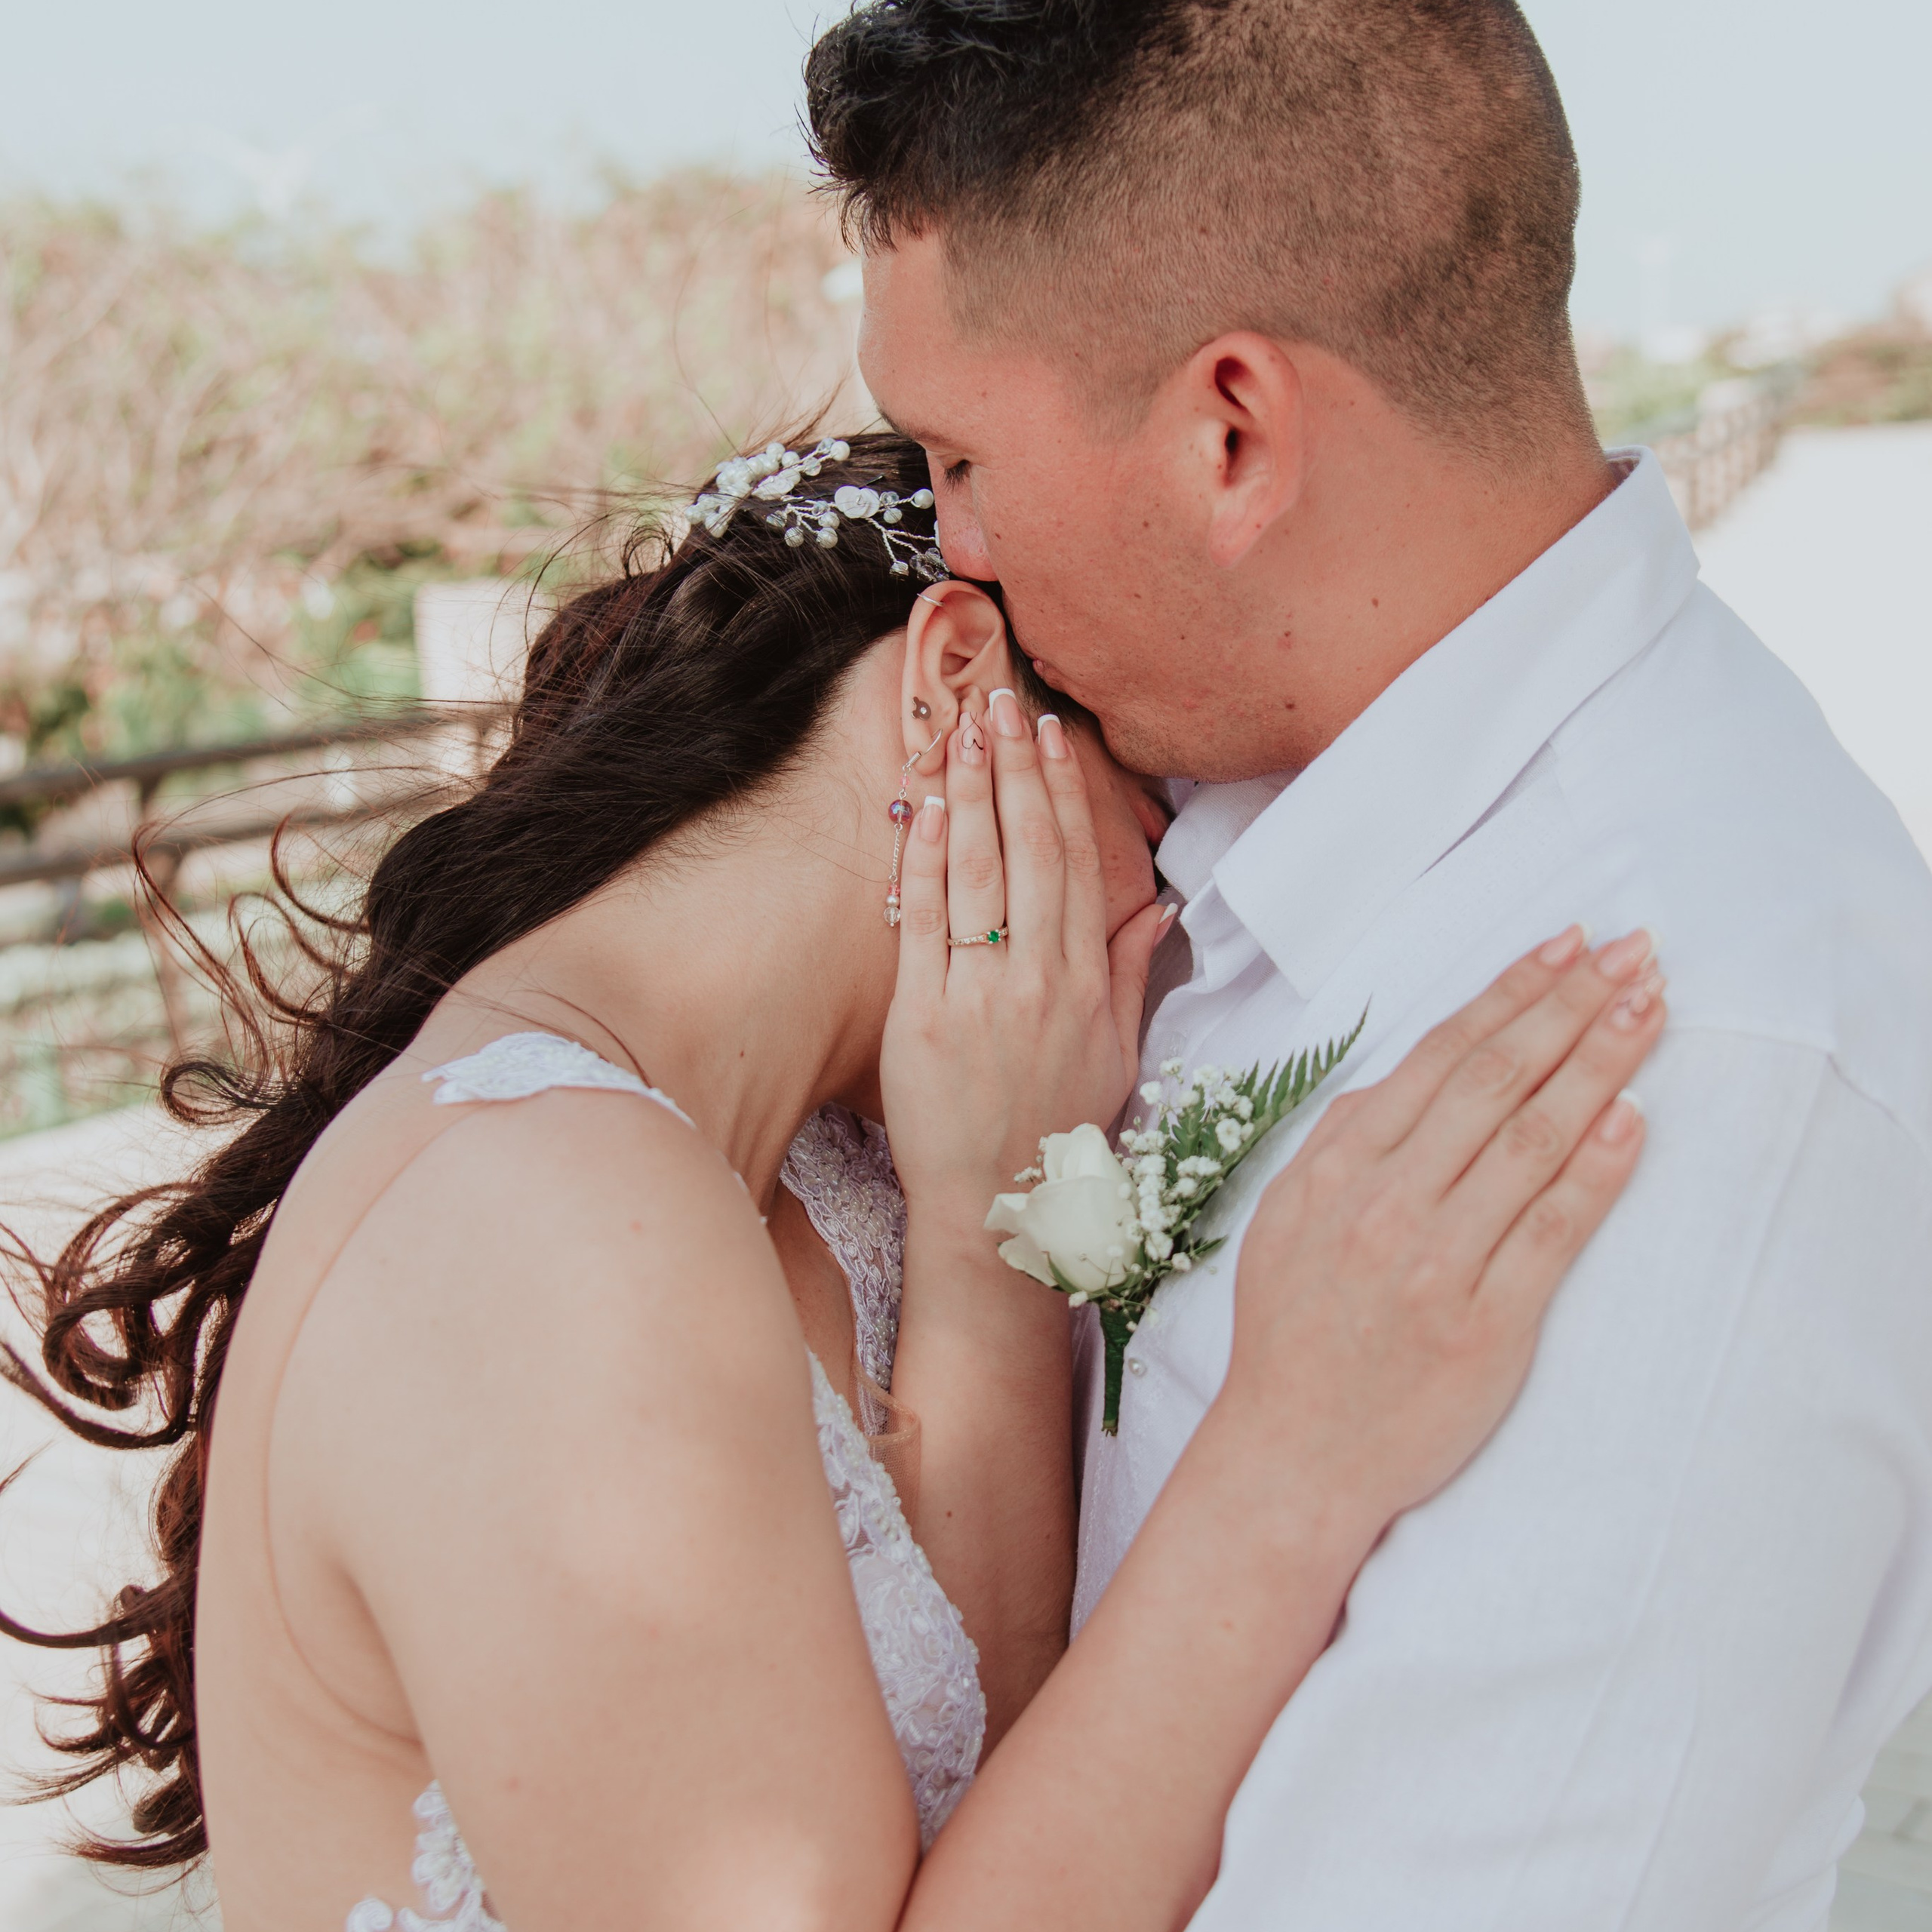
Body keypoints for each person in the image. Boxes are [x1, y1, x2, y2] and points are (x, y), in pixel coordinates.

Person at [3, 432, 1663, 1930]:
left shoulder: (819, 1165)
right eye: (1156, 802)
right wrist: (1295, 1461)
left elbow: (980, 1790)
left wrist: (987, 1228)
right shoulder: (538, 1221)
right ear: (954, 681)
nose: (1176, 910)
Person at [805, 2, 1932, 1927]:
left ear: (1231, 429)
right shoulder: (1228, 820)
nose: (945, 552)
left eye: (959, 456)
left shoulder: (1673, 1068)